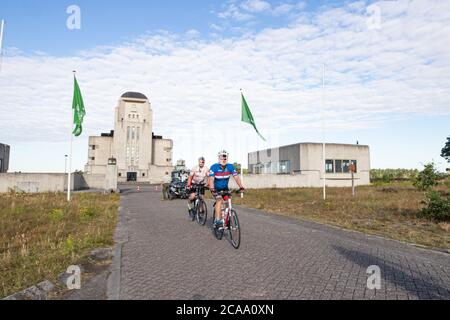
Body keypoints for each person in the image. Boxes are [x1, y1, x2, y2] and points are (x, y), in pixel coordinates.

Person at [208, 150, 245, 228]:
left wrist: (241, 186)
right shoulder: (214, 167)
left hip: (225, 188)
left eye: (225, 158)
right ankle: (218, 220)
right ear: (219, 158)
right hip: (216, 189)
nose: (223, 160)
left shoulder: (230, 167)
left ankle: (225, 219)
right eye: (222, 158)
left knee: (227, 203)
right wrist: (212, 188)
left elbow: (236, 177)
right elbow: (211, 179)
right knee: (219, 200)